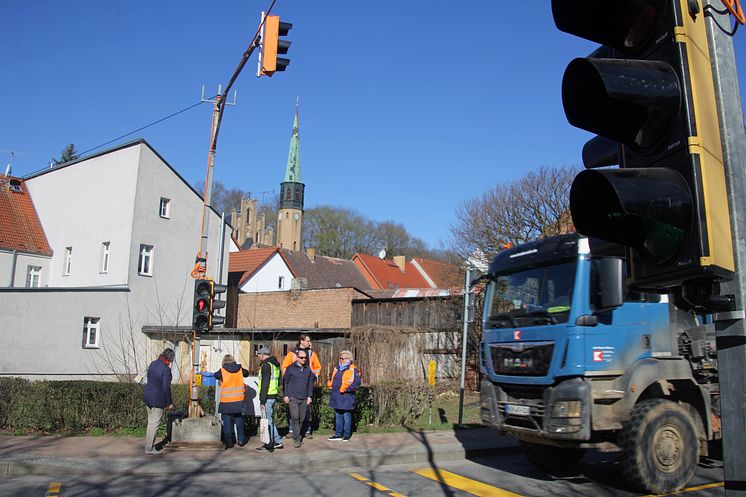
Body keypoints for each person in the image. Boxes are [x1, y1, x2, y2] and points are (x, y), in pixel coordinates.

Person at [281, 334, 321, 439]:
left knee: (306, 410)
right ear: (301, 341)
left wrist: (314, 377)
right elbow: (285, 367)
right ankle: (292, 430)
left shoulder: (312, 353)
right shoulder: (292, 353)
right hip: (294, 386)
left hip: (307, 384)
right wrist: (290, 380)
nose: (309, 342)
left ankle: (306, 430)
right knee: (294, 411)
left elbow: (317, 367)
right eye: (307, 340)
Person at [143, 348, 175, 455]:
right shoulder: (166, 369)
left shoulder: (153, 363)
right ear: (169, 358)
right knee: (154, 424)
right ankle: (149, 448)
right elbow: (166, 387)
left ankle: (148, 445)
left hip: (147, 396)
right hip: (158, 399)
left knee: (150, 422)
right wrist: (169, 402)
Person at [214, 354, 250, 449]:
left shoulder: (222, 371)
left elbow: (215, 376)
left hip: (226, 401)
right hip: (238, 400)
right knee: (239, 420)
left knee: (227, 422)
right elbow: (247, 373)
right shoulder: (240, 369)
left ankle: (229, 442)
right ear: (233, 360)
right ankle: (241, 440)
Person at [327, 350, 361, 442]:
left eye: (343, 358)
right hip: (337, 396)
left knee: (347, 416)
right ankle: (338, 434)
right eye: (340, 358)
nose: (341, 360)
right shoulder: (337, 368)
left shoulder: (353, 370)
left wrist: (346, 389)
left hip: (347, 397)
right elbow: (333, 379)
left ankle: (346, 435)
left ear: (349, 359)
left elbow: (356, 383)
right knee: (338, 416)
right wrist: (330, 385)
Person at [282, 349, 314, 448]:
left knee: (301, 418)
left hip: (304, 398)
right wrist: (286, 395)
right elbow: (285, 382)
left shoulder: (308, 369)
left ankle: (298, 434)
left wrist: (309, 396)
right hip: (293, 397)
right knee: (295, 417)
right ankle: (296, 438)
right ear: (296, 358)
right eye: (301, 357)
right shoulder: (290, 369)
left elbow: (310, 383)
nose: (304, 359)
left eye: (305, 358)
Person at [255, 347, 284, 452]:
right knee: (270, 420)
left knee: (267, 421)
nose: (258, 357)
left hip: (267, 396)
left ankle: (268, 444)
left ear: (263, 355)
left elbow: (265, 384)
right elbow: (279, 381)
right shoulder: (275, 365)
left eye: (258, 355)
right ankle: (277, 441)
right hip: (273, 395)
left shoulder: (266, 366)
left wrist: (262, 401)